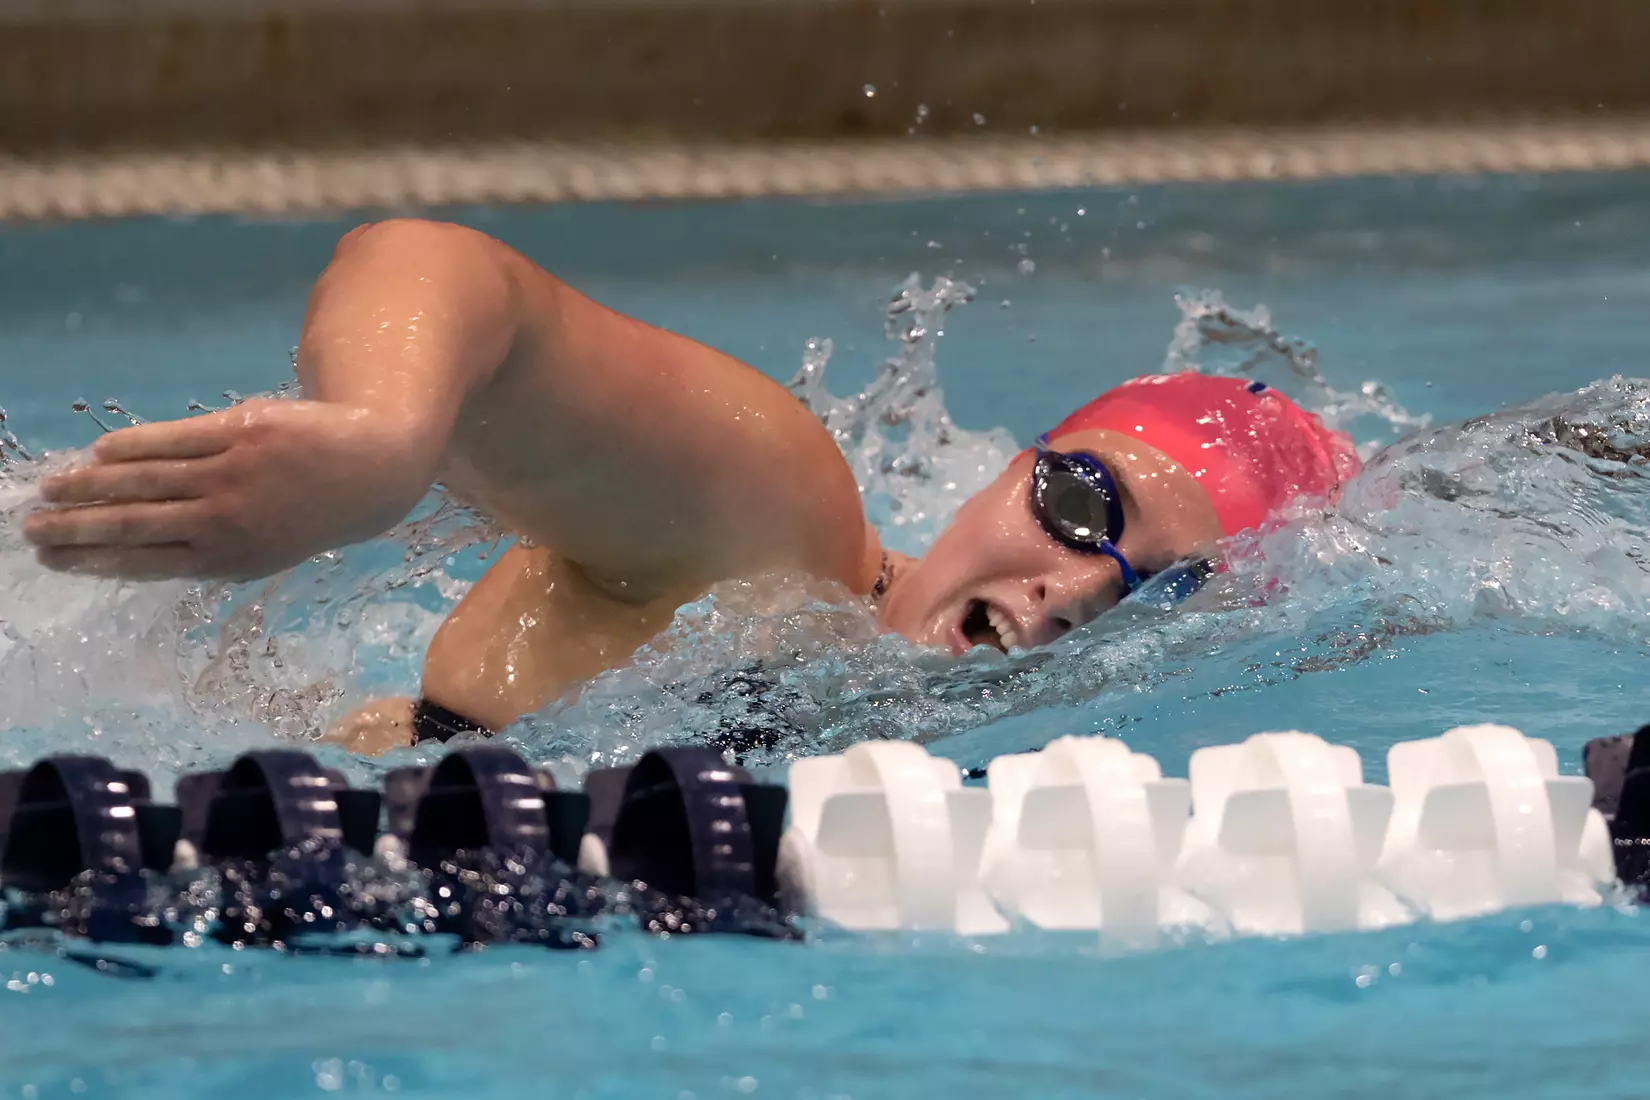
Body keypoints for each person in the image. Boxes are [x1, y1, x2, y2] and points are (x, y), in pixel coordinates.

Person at [19, 219, 1360, 752]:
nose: (1075, 592)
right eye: (1084, 507)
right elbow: (443, 271)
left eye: (1165, 587)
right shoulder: (777, 539)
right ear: (1010, 470)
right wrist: (380, 436)